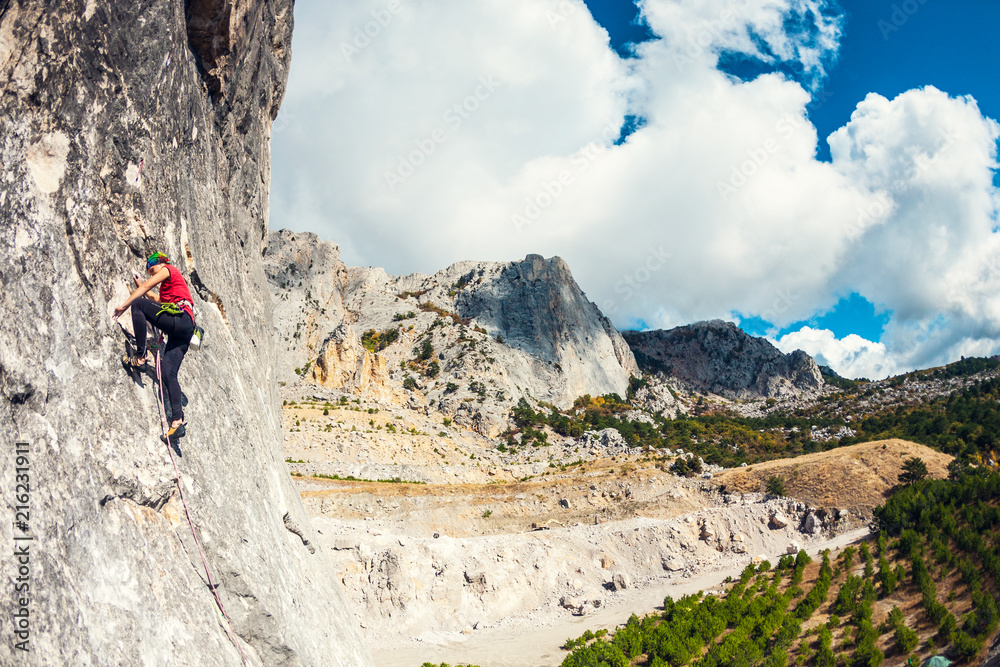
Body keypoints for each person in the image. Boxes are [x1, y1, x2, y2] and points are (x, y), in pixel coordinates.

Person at [113, 252, 195, 440]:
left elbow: (148, 290)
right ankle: (177, 423)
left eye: (153, 270)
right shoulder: (171, 289)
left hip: (179, 318)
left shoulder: (169, 269)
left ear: (161, 263)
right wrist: (141, 284)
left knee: (138, 305)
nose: (152, 275)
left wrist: (124, 306)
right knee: (168, 373)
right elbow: (156, 300)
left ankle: (140, 357)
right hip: (184, 328)